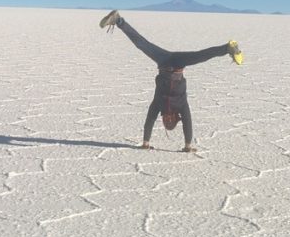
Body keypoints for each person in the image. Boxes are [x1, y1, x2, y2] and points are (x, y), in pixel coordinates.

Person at [99, 10, 242, 152]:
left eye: (165, 122)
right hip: (178, 63)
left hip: (164, 61)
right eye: (169, 122)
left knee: (142, 43)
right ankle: (227, 48)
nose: (167, 120)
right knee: (200, 55)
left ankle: (118, 20)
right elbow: (187, 123)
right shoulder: (181, 106)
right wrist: (188, 146)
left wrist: (145, 143)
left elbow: (150, 120)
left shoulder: (158, 104)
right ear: (174, 119)